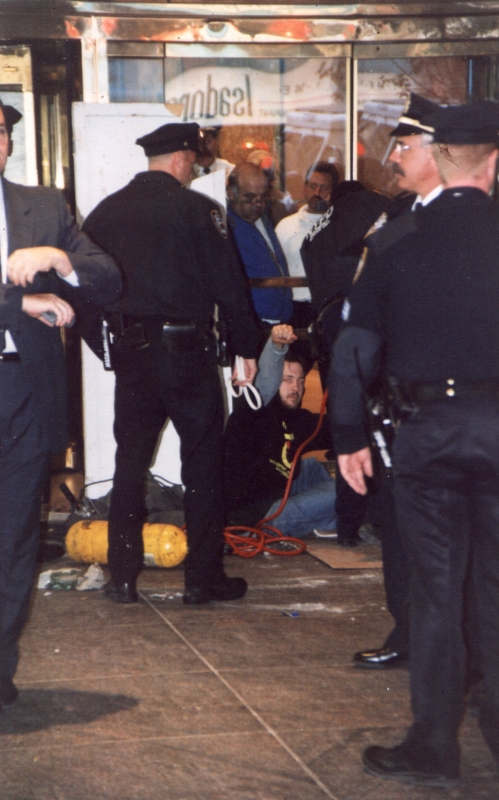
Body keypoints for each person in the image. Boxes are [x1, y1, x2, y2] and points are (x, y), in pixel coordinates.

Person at [330, 100, 499, 788]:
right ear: (493, 162)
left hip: (427, 433)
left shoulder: (395, 240)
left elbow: (353, 347)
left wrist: (348, 435)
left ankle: (433, 747)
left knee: (435, 591)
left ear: (442, 159)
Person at [83, 122, 261, 607]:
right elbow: (231, 287)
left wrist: (106, 348)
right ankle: (202, 580)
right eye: (194, 162)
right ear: (182, 158)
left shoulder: (105, 212)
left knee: (129, 464)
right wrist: (245, 349)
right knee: (202, 464)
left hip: (133, 357)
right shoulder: (199, 210)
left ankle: (122, 577)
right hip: (188, 356)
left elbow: (79, 287)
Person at [0, 98, 121, 709]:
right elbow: (17, 302)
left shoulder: (43, 206)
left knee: (16, 536)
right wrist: (15, 303)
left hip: (21, 391)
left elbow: (109, 276)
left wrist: (60, 260)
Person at [351, 92, 443, 670]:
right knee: (400, 523)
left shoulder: (475, 221)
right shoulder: (397, 217)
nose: (391, 159)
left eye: (403, 146)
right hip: (397, 398)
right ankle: (408, 632)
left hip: (452, 403)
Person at [224, 324, 335, 539]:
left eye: (300, 381)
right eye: (287, 380)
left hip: (281, 496)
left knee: (310, 467)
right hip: (258, 515)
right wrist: (276, 347)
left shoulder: (299, 419)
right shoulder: (253, 411)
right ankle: (328, 521)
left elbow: (336, 429)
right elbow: (266, 383)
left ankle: (323, 522)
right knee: (343, 493)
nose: (296, 388)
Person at [275, 161, 339, 332]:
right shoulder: (285, 227)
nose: (317, 193)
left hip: (330, 308)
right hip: (296, 310)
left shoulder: (340, 226)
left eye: (324, 188)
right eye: (313, 186)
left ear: (333, 191)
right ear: (305, 188)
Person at [227, 163, 293, 326]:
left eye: (262, 197)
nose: (258, 204)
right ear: (231, 194)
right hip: (255, 322)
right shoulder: (226, 226)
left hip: (280, 319)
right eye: (249, 197)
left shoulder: (263, 216)